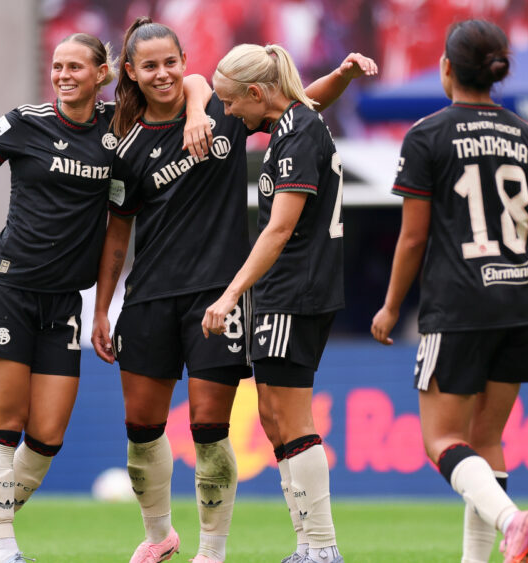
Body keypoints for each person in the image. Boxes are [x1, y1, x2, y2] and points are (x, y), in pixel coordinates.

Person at [91, 19, 376, 563]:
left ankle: (216, 552)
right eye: (149, 66)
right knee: (144, 429)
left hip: (224, 296)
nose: (163, 74)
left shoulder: (226, 110)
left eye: (172, 62)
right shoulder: (127, 146)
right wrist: (103, 307)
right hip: (150, 296)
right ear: (130, 72)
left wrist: (335, 79)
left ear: (184, 60)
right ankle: (160, 538)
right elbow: (117, 234)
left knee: (211, 429)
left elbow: (298, 105)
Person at [0, 34, 209, 563]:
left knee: (47, 435)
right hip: (8, 289)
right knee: (4, 425)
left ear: (102, 73)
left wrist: (196, 113)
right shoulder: (26, 122)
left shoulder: (115, 128)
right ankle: (3, 545)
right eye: (57, 66)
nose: (63, 74)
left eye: (76, 66)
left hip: (63, 305)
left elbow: (189, 80)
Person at [368, 20, 528, 563]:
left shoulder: (426, 136)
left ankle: (514, 519)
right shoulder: (526, 136)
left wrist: (392, 305)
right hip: (518, 303)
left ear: (446, 67)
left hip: (458, 306)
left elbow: (413, 236)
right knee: (486, 440)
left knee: (441, 442)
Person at [200, 43, 356, 563]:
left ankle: (321, 547)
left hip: (296, 290)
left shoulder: (296, 137)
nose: (226, 112)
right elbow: (310, 96)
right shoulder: (296, 122)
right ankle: (309, 545)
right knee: (272, 415)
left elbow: (279, 229)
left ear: (256, 93)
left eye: (229, 101)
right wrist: (342, 73)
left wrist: (229, 295)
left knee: (291, 419)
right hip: (286, 291)